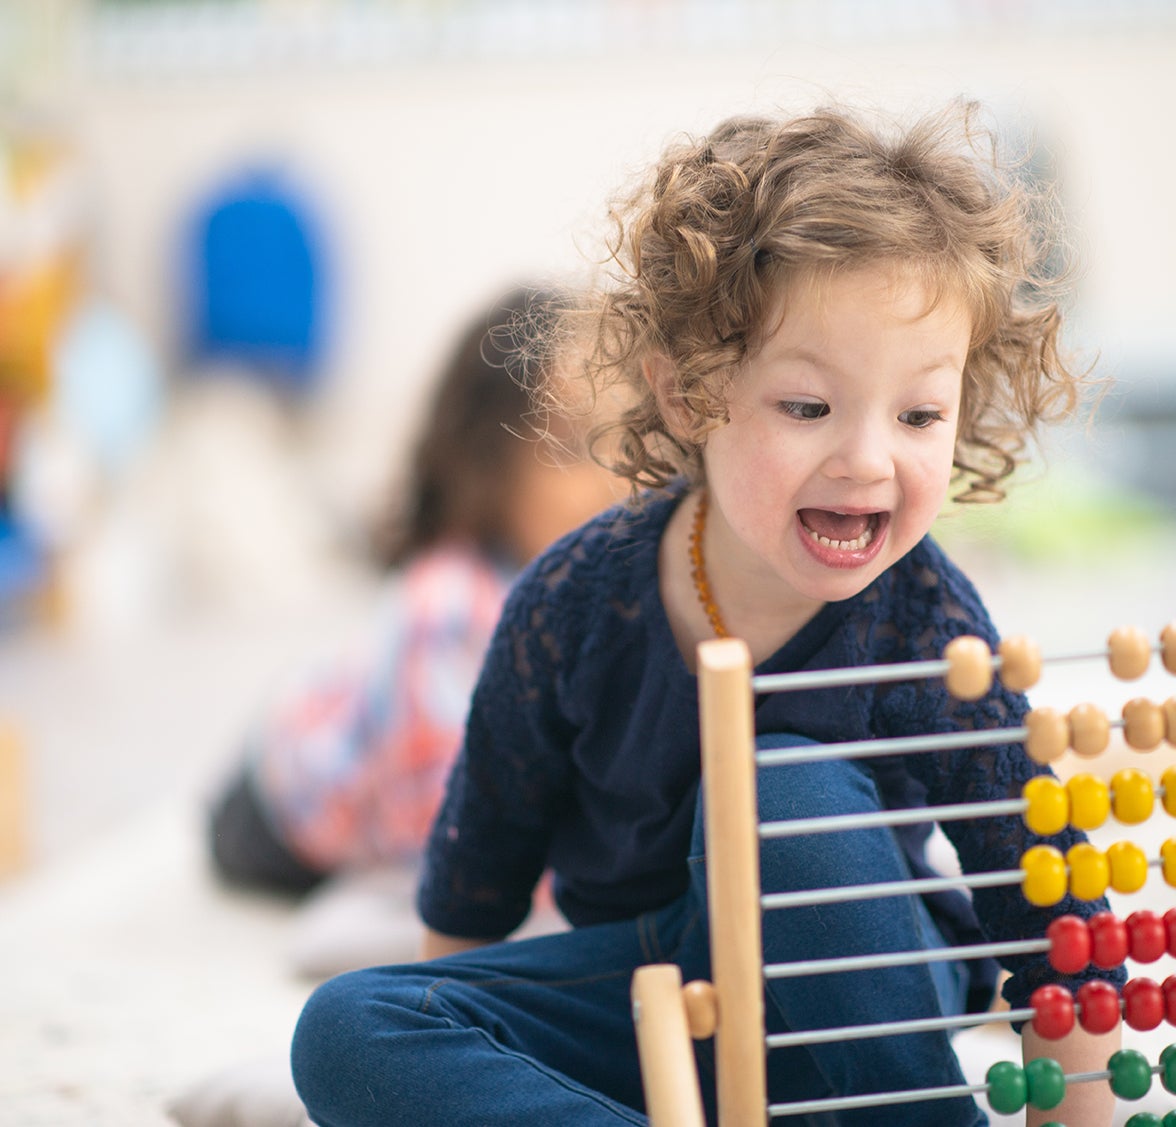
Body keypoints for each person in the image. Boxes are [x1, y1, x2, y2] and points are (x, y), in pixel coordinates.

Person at [291, 102, 1125, 1126]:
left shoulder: (926, 623)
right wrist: (469, 1066)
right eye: (808, 407)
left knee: (787, 799)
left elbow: (1051, 911)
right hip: (652, 1007)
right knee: (348, 1028)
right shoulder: (569, 604)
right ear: (689, 397)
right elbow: (471, 903)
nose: (869, 458)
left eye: (919, 414)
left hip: (852, 1025)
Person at [207, 284, 619, 899]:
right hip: (283, 796)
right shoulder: (448, 611)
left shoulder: (595, 584)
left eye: (622, 440)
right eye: (571, 445)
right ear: (487, 458)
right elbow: (448, 833)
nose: (611, 478)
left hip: (369, 718)